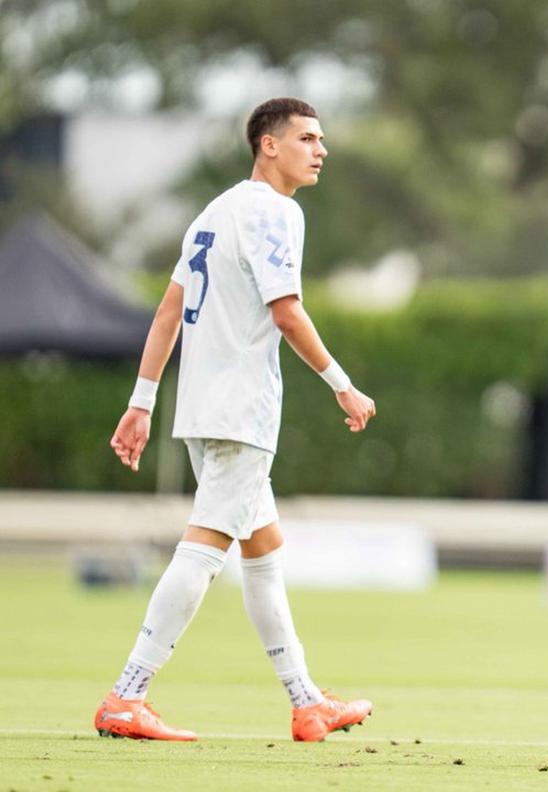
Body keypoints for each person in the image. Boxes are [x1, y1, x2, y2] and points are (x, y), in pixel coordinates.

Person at [95, 97, 376, 743]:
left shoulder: (214, 211)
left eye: (322, 139)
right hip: (241, 408)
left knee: (262, 551)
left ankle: (307, 702)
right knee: (204, 549)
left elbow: (168, 311)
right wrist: (343, 385)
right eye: (307, 137)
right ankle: (126, 694)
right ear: (268, 145)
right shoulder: (276, 211)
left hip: (201, 404)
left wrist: (142, 400)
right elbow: (286, 311)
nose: (320, 149)